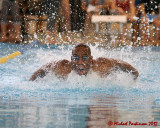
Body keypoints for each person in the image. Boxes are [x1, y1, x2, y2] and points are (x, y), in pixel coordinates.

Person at [29, 43, 139, 81]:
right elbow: (44, 69)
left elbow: (120, 64)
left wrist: (134, 75)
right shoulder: (63, 67)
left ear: (91, 59)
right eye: (76, 58)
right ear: (71, 59)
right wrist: (31, 81)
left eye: (84, 58)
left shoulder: (102, 65)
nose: (80, 62)